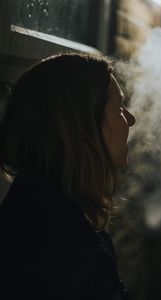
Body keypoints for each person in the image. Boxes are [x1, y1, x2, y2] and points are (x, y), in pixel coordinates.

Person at [0, 52, 135, 299]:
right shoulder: (60, 241)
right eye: (119, 107)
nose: (130, 119)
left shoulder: (47, 204)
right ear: (84, 124)